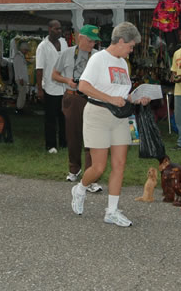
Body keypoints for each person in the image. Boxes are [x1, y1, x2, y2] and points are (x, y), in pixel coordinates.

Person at [71, 22, 150, 227]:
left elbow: (121, 94)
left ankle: (111, 211)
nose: (132, 50)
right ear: (121, 41)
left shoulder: (123, 63)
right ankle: (80, 189)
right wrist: (109, 98)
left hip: (120, 117)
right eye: (131, 46)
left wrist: (137, 98)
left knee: (120, 164)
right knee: (98, 167)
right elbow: (83, 86)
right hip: (98, 115)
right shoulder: (98, 58)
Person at [51, 24, 102, 193]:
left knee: (91, 138)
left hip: (91, 99)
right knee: (73, 136)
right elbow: (54, 75)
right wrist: (67, 81)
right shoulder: (66, 53)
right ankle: (74, 169)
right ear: (80, 37)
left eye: (95, 41)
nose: (92, 44)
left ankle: (91, 176)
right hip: (72, 98)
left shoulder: (97, 56)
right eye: (89, 40)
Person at [36, 20, 68, 153]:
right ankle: (51, 145)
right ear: (49, 29)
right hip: (50, 87)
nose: (59, 31)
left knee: (64, 117)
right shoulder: (42, 47)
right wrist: (39, 89)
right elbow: (39, 69)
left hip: (64, 87)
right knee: (50, 119)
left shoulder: (64, 42)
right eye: (56, 29)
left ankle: (64, 143)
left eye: (60, 29)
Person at [13, 41, 30, 113]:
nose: (26, 51)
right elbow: (18, 68)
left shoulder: (21, 57)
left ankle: (21, 107)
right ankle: (19, 108)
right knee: (21, 94)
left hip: (22, 79)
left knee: (23, 94)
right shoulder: (18, 57)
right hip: (21, 79)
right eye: (25, 50)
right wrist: (20, 78)